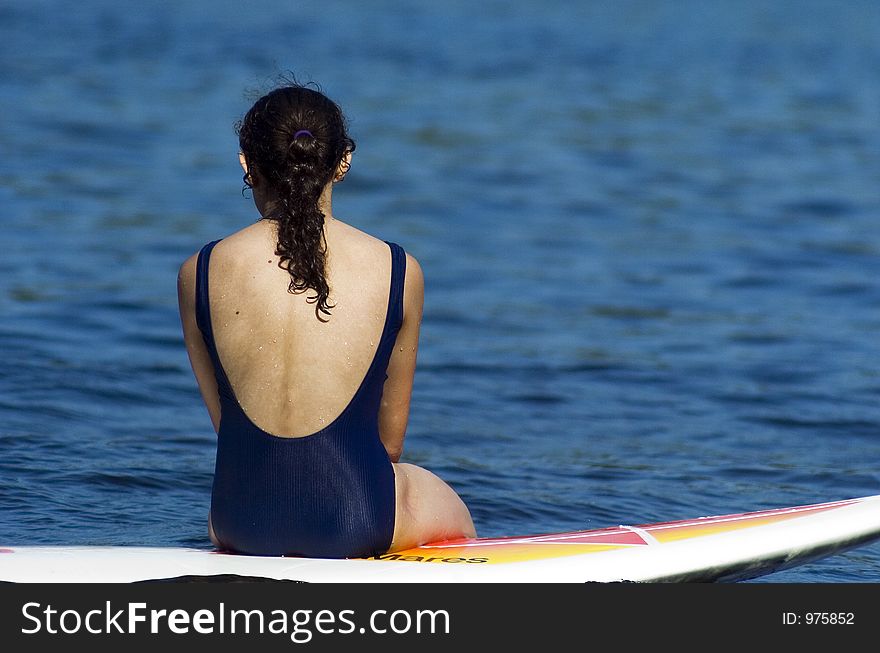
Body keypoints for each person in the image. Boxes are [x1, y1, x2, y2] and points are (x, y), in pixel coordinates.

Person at [176, 81, 476, 558]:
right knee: (431, 493)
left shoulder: (199, 270)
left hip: (236, 521)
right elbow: (389, 445)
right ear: (343, 162)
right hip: (354, 522)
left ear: (246, 165)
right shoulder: (399, 270)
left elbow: (228, 428)